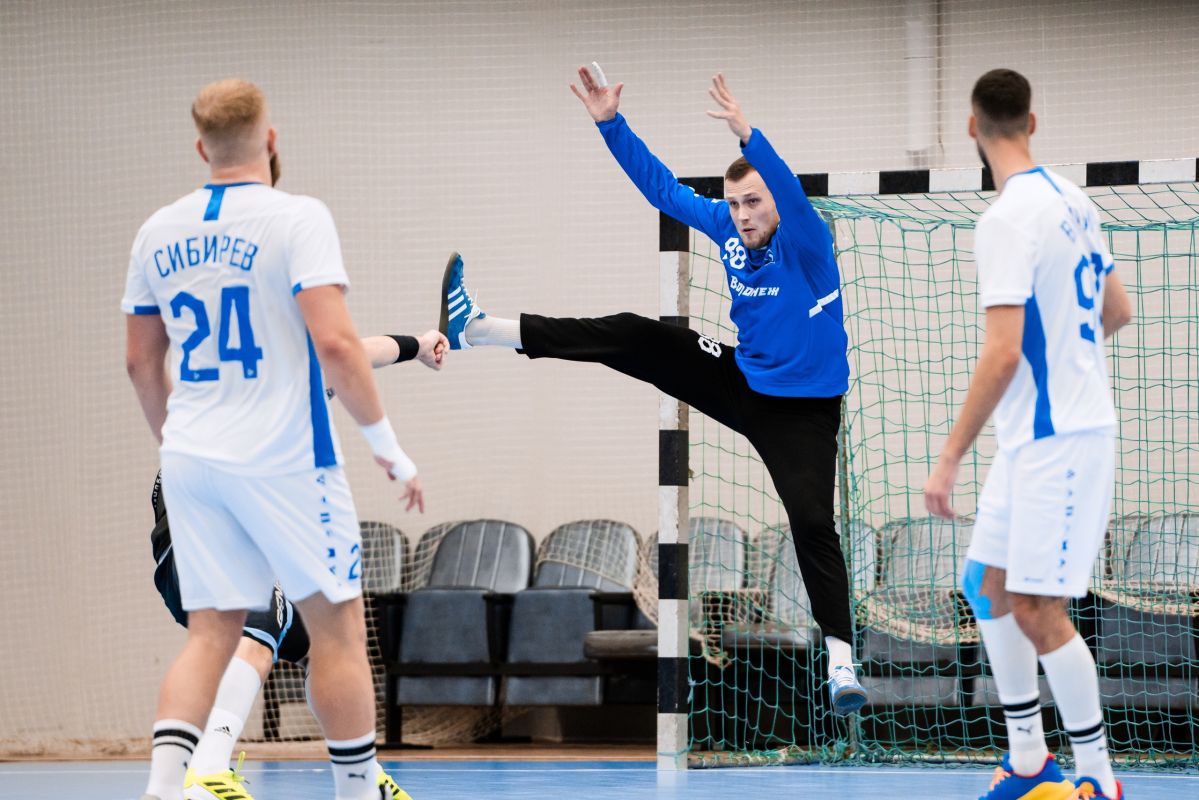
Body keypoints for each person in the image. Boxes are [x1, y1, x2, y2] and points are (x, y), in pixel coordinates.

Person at [439, 67, 866, 713]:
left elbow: (784, 185)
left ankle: (839, 661)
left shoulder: (807, 244)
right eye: (734, 203)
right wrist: (611, 124)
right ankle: (479, 330)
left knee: (810, 521)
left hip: (803, 414)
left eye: (754, 202)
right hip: (741, 379)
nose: (742, 214)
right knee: (634, 334)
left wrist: (748, 135)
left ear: (777, 204)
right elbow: (662, 189)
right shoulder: (726, 229)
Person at [123, 78, 424, 800]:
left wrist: (175, 442)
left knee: (211, 632)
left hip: (190, 457)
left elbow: (139, 362)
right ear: (271, 137)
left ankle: (162, 790)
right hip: (284, 458)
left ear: (201, 148)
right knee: (337, 630)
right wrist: (388, 447)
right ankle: (357, 791)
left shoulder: (156, 230)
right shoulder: (297, 218)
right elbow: (338, 347)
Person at [924, 68, 1132, 800]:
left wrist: (948, 458)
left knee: (1039, 609)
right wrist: (1069, 356)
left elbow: (1003, 353)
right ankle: (1027, 763)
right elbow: (1117, 310)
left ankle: (1097, 779)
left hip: (1062, 441)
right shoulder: (1074, 199)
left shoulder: (1005, 219)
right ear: (1032, 123)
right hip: (1035, 439)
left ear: (971, 127)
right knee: (985, 584)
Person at [151, 331, 445, 800]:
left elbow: (358, 351)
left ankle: (362, 773)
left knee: (327, 644)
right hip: (201, 545)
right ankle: (205, 771)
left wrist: (418, 344)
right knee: (262, 621)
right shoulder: (242, 403)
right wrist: (391, 450)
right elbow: (346, 351)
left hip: (196, 556)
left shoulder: (278, 386)